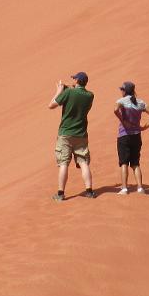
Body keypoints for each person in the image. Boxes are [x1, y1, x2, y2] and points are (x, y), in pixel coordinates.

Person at [48, 71, 95, 201]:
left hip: (65, 134)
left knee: (63, 163)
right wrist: (68, 89)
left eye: (74, 78)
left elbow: (51, 105)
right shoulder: (90, 96)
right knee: (83, 162)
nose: (72, 80)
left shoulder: (68, 93)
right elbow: (79, 94)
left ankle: (60, 193)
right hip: (81, 134)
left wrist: (59, 91)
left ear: (77, 81)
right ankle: (89, 191)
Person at [114, 81, 149, 194]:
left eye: (122, 89)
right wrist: (144, 127)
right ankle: (140, 188)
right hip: (136, 136)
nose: (121, 91)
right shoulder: (140, 102)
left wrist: (123, 120)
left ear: (124, 91)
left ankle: (124, 188)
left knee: (124, 163)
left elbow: (115, 109)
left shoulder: (122, 101)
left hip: (124, 135)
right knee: (135, 163)